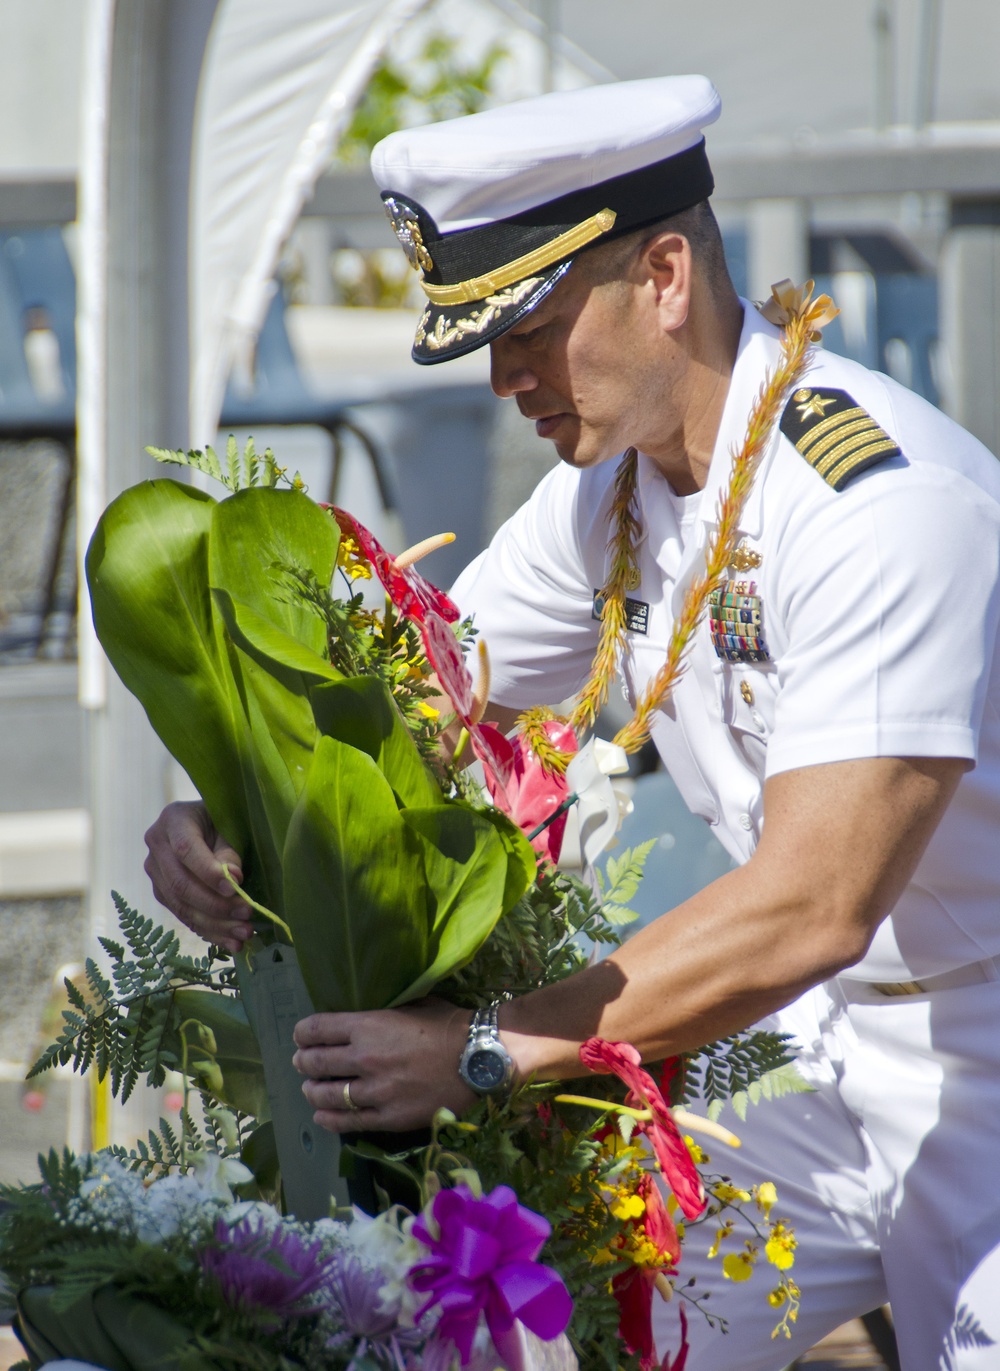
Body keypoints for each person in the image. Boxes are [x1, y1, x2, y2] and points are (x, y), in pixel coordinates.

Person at [143, 77, 1000, 1369]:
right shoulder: (609, 493)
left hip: (982, 1053)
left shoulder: (877, 503)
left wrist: (484, 1051)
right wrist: (237, 808)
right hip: (829, 1058)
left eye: (532, 328)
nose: (504, 380)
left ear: (663, 276)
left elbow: (814, 904)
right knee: (533, 1329)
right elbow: (417, 698)